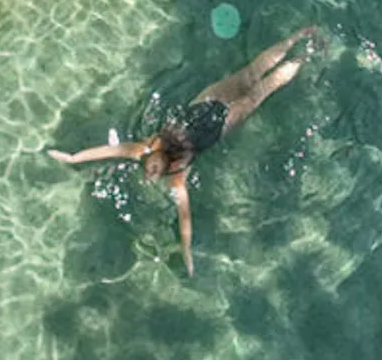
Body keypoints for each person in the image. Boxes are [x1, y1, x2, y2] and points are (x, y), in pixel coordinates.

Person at [49, 26, 327, 274]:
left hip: (211, 108)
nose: (152, 170)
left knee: (252, 80)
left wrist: (72, 157)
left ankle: (300, 42)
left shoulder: (146, 151)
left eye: (150, 170)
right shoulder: (171, 170)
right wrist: (186, 251)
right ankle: (302, 53)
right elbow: (185, 219)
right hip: (218, 119)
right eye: (155, 172)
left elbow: (104, 152)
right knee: (257, 86)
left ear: (147, 163)